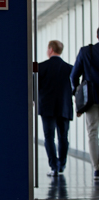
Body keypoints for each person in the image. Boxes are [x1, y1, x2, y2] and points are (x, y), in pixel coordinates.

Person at [38, 40, 73, 177]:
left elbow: (34, 85)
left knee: (49, 137)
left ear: (51, 49)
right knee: (63, 136)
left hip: (46, 107)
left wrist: (34, 99)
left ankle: (54, 166)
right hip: (64, 106)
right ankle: (62, 165)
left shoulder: (40, 67)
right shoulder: (69, 68)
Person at [70, 28, 99, 179]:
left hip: (91, 99)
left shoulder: (86, 52)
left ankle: (97, 169)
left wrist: (77, 96)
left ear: (97, 36)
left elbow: (74, 76)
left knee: (92, 133)